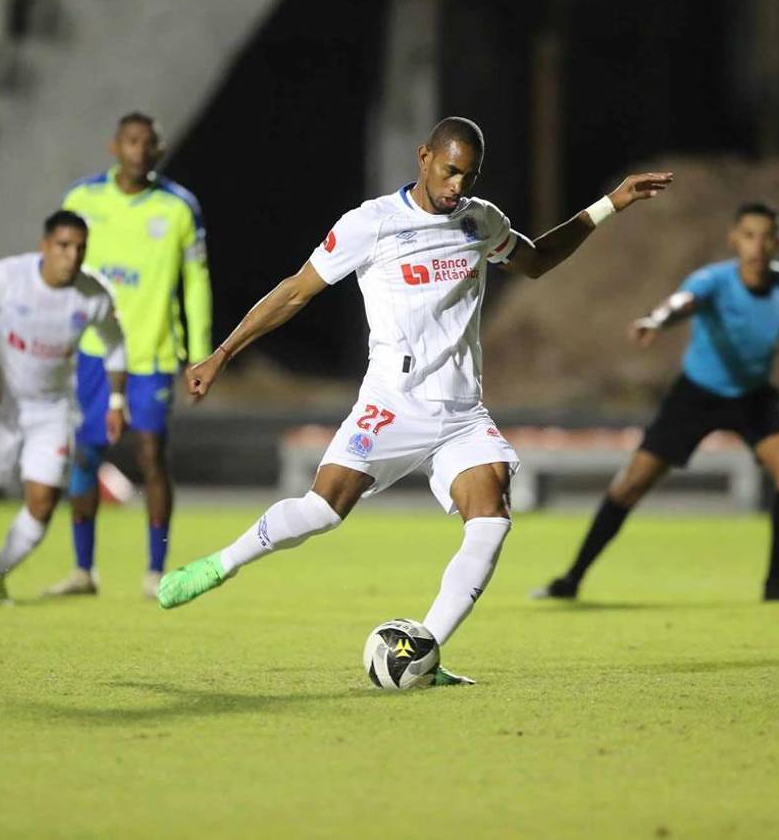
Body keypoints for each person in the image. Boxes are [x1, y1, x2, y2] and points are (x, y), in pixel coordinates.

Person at [157, 116, 671, 683]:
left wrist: (609, 205)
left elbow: (537, 261)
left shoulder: (479, 220)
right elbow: (296, 291)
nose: (458, 186)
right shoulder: (371, 224)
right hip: (393, 402)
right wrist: (223, 353)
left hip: (461, 413)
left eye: (469, 176)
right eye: (450, 171)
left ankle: (420, 652)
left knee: (492, 517)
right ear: (424, 157)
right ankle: (220, 564)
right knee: (322, 510)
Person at [535, 202, 779, 605]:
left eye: (767, 237)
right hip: (697, 393)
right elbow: (681, 303)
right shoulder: (713, 280)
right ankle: (571, 578)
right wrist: (655, 321)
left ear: (778, 242)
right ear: (734, 239)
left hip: (753, 396)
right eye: (749, 235)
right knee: (632, 484)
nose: (757, 246)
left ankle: (775, 585)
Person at [0, 211, 126, 604]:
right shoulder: (7, 278)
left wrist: (116, 401)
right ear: (44, 245)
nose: (72, 256)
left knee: (43, 503)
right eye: (64, 246)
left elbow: (115, 344)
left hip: (53, 410)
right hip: (1, 405)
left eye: (80, 248)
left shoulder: (93, 295)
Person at [46, 112, 212, 599]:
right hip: (93, 352)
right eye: (131, 142)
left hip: (153, 352)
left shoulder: (180, 208)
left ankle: (155, 570)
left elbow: (196, 282)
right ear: (114, 146)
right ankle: (83, 570)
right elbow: (59, 272)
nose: (139, 151)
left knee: (151, 454)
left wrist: (200, 353)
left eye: (148, 143)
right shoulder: (82, 200)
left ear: (158, 150)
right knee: (85, 453)